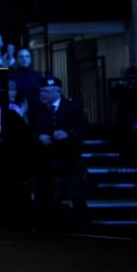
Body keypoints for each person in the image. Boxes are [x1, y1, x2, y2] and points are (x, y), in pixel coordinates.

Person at [28, 75, 89, 228]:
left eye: (46, 91)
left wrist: (68, 134)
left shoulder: (72, 107)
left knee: (74, 196)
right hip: (45, 161)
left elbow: (83, 129)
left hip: (68, 159)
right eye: (41, 91)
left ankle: (78, 225)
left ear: (57, 92)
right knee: (47, 196)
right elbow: (29, 130)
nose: (42, 94)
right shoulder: (36, 109)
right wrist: (38, 137)